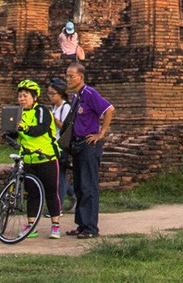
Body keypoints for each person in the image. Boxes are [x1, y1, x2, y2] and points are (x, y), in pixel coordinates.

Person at [65, 61, 114, 239]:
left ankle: (91, 228)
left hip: (89, 145)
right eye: (67, 76)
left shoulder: (90, 93)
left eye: (71, 76)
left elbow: (109, 109)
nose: (68, 79)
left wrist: (101, 133)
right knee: (79, 186)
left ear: (81, 77)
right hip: (78, 144)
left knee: (88, 186)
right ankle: (82, 224)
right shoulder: (75, 96)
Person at [14, 79, 63, 238]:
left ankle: (55, 225)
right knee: (32, 193)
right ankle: (31, 225)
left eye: (25, 95)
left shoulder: (41, 110)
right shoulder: (17, 113)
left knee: (51, 191)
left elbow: (40, 129)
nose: (22, 99)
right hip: (28, 159)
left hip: (46, 157)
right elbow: (16, 136)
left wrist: (25, 128)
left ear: (34, 97)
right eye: (20, 96)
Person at [48, 76, 74, 213]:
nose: (51, 97)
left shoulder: (66, 107)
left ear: (61, 94)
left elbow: (65, 127)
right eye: (49, 94)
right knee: (59, 175)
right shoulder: (54, 107)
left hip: (62, 145)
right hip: (53, 144)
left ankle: (58, 206)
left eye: (53, 94)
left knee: (60, 175)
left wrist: (53, 119)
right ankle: (72, 194)